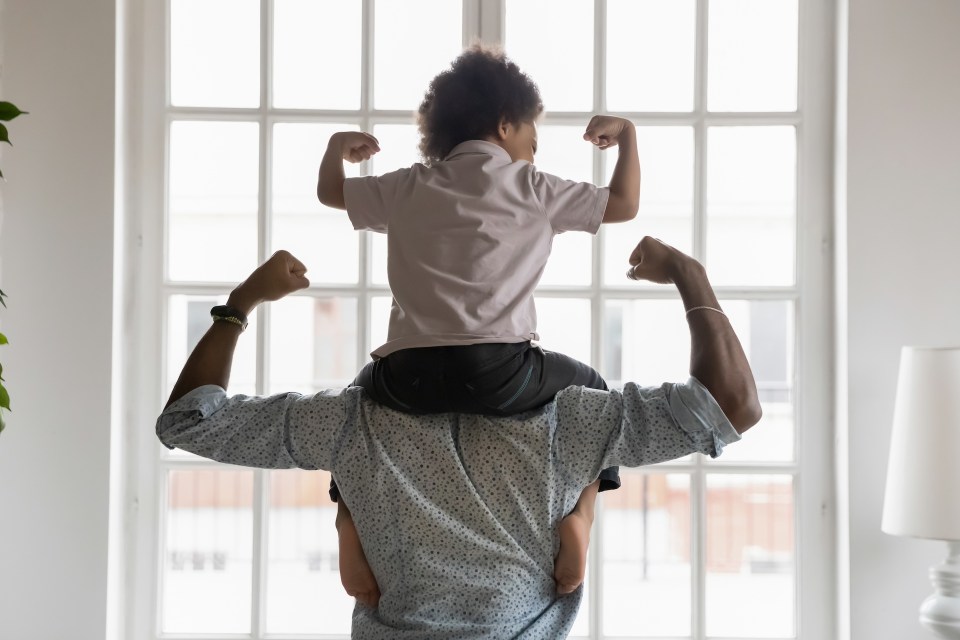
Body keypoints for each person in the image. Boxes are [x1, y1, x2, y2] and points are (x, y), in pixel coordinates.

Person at [157, 236, 762, 640]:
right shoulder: (568, 416)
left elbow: (187, 419)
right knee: (587, 399)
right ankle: (580, 503)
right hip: (519, 587)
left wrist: (241, 305)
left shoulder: (352, 419)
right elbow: (730, 404)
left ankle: (575, 503)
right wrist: (689, 276)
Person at [316, 44, 641, 602]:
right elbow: (625, 203)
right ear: (505, 124)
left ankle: (349, 522)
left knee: (353, 412)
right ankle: (581, 514)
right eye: (531, 140)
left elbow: (330, 193)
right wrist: (628, 135)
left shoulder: (410, 184)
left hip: (406, 376)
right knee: (597, 393)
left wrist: (333, 150)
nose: (533, 153)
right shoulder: (532, 187)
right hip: (502, 373)